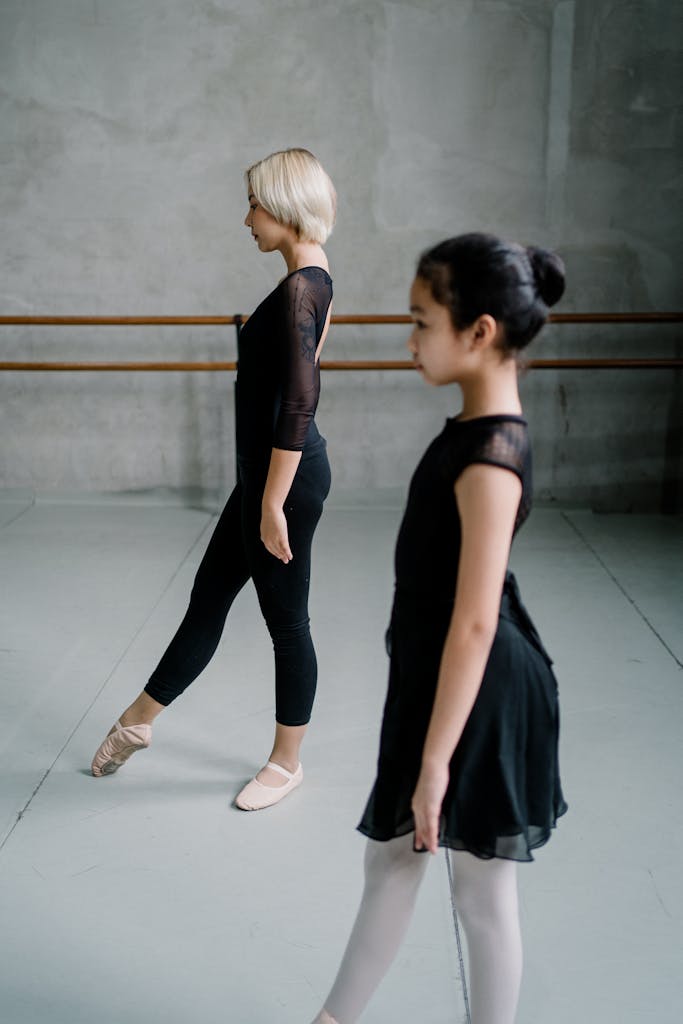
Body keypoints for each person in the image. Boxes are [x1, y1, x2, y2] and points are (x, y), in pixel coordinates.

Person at [311, 233, 568, 1024]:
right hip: (441, 674)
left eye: (421, 320)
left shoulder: (492, 455)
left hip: (480, 687)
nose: (408, 338)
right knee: (392, 857)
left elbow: (474, 620)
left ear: (479, 331)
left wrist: (433, 761)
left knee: (480, 888)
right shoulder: (472, 429)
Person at [91, 148, 336, 812]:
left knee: (286, 620)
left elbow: (299, 402)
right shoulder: (312, 278)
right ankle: (139, 719)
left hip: (283, 482)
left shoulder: (299, 290)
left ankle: (286, 765)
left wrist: (271, 503)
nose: (247, 218)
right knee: (209, 600)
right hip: (267, 476)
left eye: (254, 203)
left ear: (283, 207)